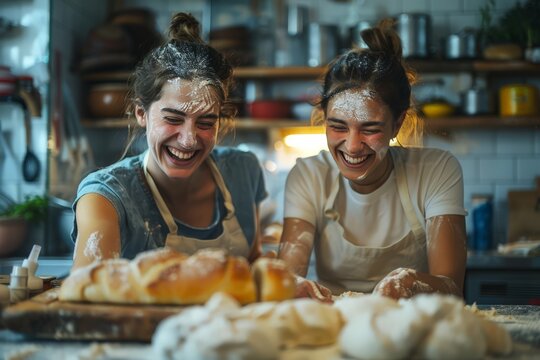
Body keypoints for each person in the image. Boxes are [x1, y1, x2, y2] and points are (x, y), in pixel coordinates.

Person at [278, 20, 467, 302]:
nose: (353, 146)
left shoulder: (435, 170)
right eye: (338, 126)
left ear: (398, 123)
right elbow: (288, 276)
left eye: (370, 129)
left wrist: (411, 282)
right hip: (336, 325)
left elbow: (451, 287)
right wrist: (290, 285)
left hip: (415, 325)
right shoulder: (309, 175)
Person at [71, 13, 267, 270]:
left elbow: (252, 263)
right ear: (141, 112)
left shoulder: (243, 170)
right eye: (174, 119)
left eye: (206, 122)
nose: (188, 140)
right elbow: (88, 290)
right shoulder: (106, 197)